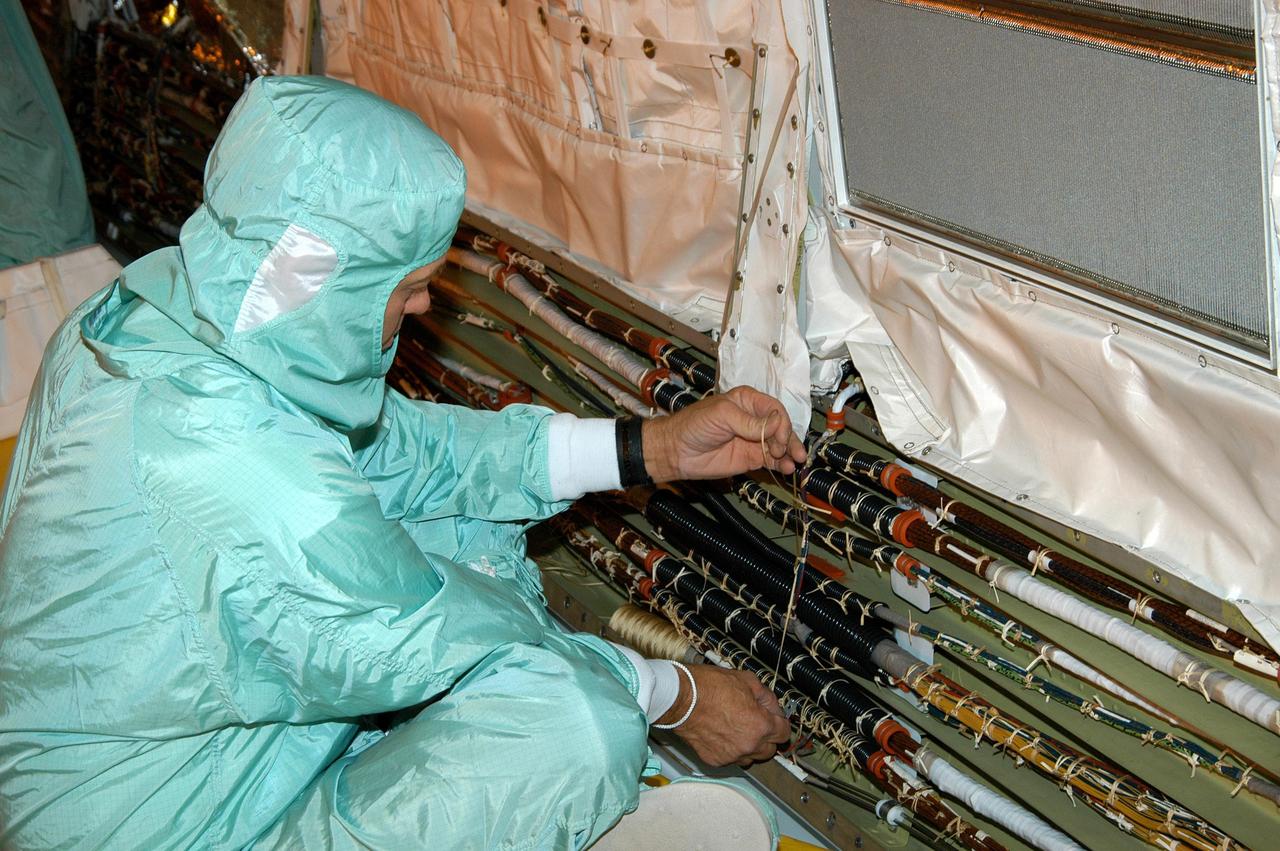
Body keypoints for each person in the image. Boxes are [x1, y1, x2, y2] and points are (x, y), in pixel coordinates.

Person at [0, 76, 807, 849]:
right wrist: (678, 695)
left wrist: (655, 446)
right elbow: (433, 628)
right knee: (575, 722)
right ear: (326, 282)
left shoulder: (164, 320)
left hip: (164, 756)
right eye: (411, 284)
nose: (424, 305)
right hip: (158, 828)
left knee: (450, 517)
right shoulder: (248, 472)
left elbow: (409, 451)